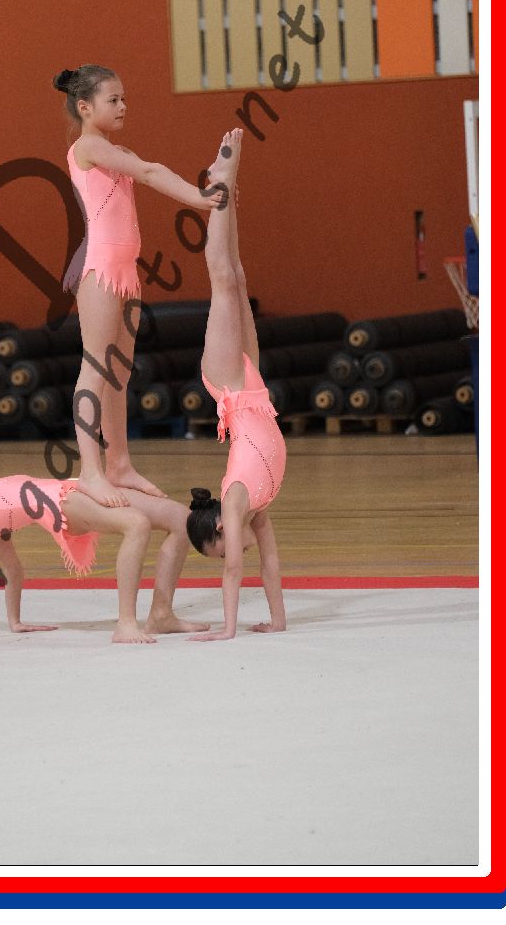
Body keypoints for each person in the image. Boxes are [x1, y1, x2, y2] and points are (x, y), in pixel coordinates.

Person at [54, 64, 226, 509]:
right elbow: (149, 172)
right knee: (96, 367)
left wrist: (200, 197)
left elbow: (145, 171)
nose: (123, 106)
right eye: (113, 100)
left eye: (124, 99)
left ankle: (119, 464)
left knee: (119, 372)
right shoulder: (88, 146)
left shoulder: (115, 150)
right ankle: (91, 471)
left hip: (125, 269)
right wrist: (200, 198)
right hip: (98, 268)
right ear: (85, 107)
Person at [0, 443, 209, 645]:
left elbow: (12, 569)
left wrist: (15, 621)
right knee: (136, 524)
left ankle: (161, 615)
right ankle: (126, 624)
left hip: (72, 488)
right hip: (60, 504)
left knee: (180, 518)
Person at [185, 128, 287, 641]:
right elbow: (269, 563)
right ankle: (227, 195)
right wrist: (278, 618)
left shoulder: (235, 500)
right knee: (239, 277)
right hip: (254, 389)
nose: (231, 555)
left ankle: (220, 185)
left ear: (221, 529)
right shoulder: (257, 510)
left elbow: (233, 573)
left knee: (222, 279)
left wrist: (227, 629)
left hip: (227, 384)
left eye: (221, 549)